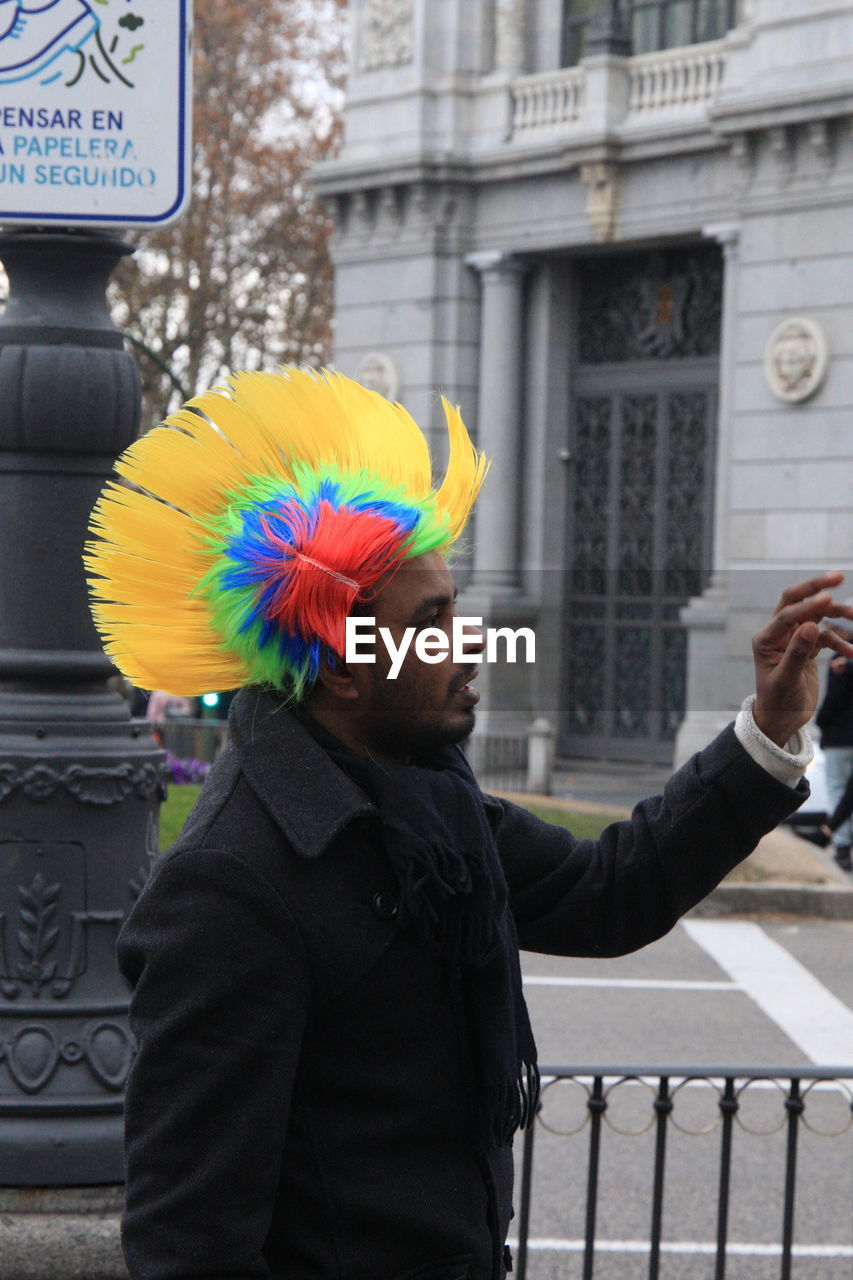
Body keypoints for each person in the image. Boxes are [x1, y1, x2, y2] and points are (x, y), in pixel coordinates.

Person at [84, 368, 853, 1280]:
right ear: (341, 669)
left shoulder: (424, 798)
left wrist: (766, 731)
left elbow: (607, 892)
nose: (473, 639)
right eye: (435, 620)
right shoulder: (231, 885)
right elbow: (189, 1246)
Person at [815, 650, 853, 871]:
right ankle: (833, 838)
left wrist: (822, 720)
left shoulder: (841, 659)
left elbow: (834, 700)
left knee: (839, 790)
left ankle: (840, 844)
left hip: (839, 738)